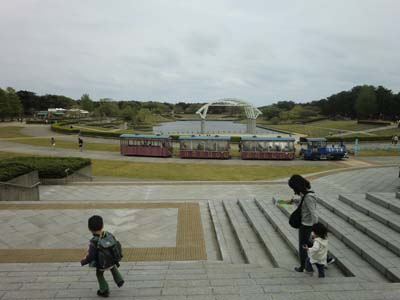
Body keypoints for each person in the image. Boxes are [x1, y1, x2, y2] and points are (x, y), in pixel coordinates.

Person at [287, 174, 334, 272]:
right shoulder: (305, 195)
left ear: (297, 186)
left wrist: (315, 230)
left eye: (293, 188)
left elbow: (314, 214)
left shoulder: (309, 197)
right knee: (308, 243)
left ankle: (303, 267)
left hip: (306, 226)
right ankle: (326, 258)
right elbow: (303, 204)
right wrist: (294, 201)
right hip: (305, 225)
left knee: (303, 246)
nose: (293, 190)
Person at [81, 215, 124, 297]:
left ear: (89, 229)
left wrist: (83, 261)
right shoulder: (108, 234)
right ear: (102, 226)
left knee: (99, 274)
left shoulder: (94, 241)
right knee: (112, 267)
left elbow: (91, 256)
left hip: (102, 263)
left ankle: (104, 290)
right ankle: (119, 280)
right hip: (112, 260)